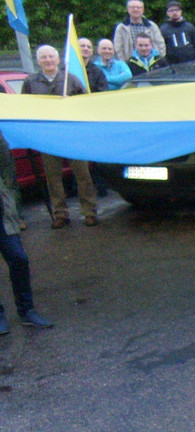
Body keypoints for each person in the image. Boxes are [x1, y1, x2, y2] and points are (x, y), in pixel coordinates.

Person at [22, 46, 99, 229]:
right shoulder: (31, 81)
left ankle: (89, 212)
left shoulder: (70, 79)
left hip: (72, 135)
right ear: (38, 61)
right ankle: (60, 213)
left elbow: (86, 103)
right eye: (44, 57)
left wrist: (71, 103)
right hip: (48, 136)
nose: (48, 60)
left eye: (51, 57)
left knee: (83, 176)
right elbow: (25, 105)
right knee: (53, 178)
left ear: (58, 59)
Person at [0, 130, 53, 333]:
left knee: (19, 258)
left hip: (2, 212)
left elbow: (7, 170)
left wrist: (12, 203)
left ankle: (27, 311)